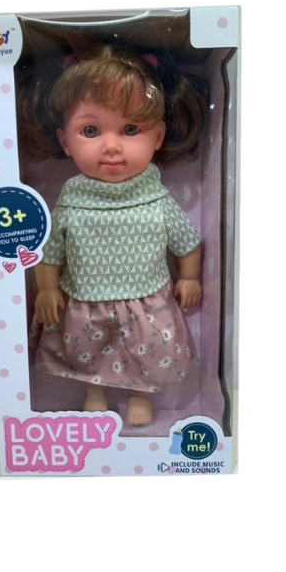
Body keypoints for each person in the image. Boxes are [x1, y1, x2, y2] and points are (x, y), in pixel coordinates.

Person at [23, 45, 205, 425]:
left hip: (146, 302)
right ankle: (95, 392)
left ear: (157, 136)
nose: (111, 146)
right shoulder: (71, 202)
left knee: (150, 352)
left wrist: (189, 277)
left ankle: (140, 392)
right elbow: (50, 251)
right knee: (85, 352)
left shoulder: (156, 198)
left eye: (130, 129)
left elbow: (187, 242)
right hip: (85, 302)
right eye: (90, 131)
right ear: (65, 140)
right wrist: (47, 288)